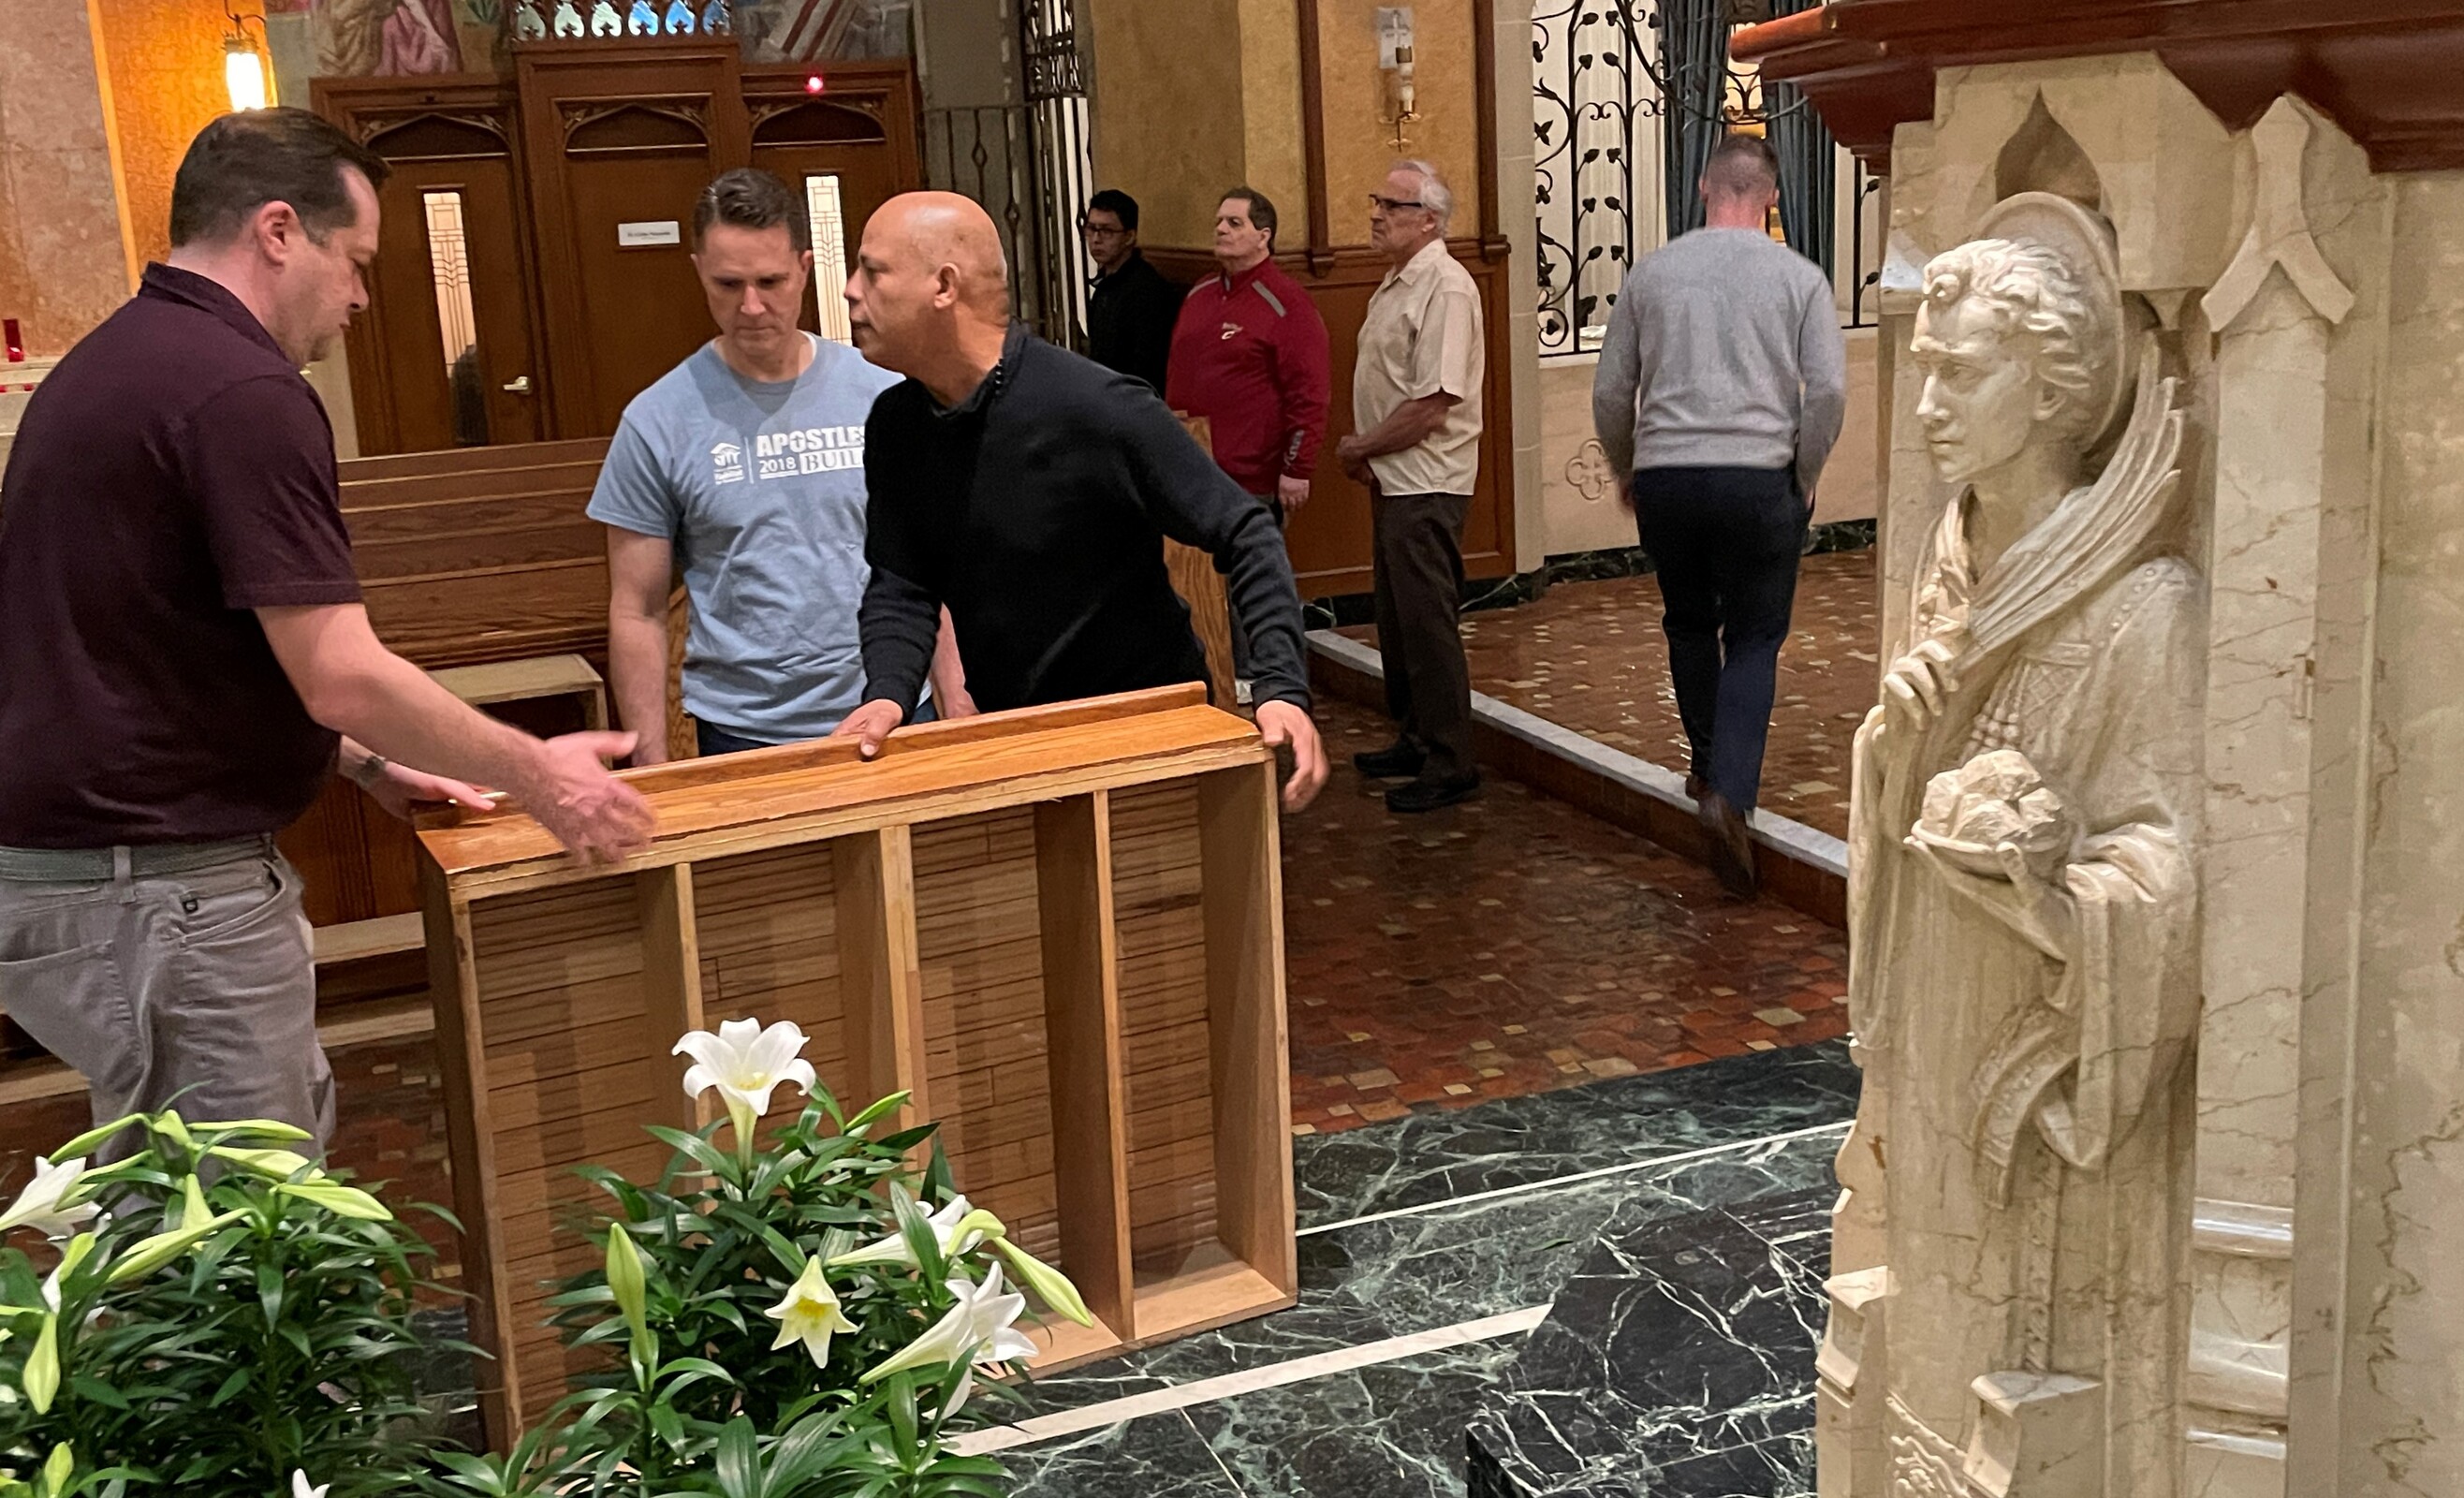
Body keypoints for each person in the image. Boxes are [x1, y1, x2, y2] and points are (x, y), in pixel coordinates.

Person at [0, 109, 653, 1147]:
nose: (358, 297)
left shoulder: (119, 361)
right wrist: (543, 777)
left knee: (175, 1190)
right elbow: (339, 671)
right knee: (240, 1207)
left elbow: (155, 644)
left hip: (97, 881)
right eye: (354, 261)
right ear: (277, 231)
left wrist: (367, 765)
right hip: (159, 891)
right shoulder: (240, 389)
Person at [832, 192, 1329, 813]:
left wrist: (1280, 688)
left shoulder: (1095, 405)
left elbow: (1246, 531)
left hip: (1150, 732)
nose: (851, 290)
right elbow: (903, 583)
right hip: (1022, 737)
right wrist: (888, 693)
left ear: (944, 286)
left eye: (872, 271)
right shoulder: (896, 423)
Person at [592, 168, 967, 762]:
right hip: (745, 728)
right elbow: (637, 611)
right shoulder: (657, 420)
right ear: (698, 271)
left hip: (893, 705)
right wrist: (650, 766)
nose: (751, 306)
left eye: (770, 281)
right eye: (728, 284)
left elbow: (927, 566)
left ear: (805, 269)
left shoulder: (882, 392)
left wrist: (958, 699)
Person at [1590, 132, 1846, 894]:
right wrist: (1805, 472)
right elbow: (1828, 392)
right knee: (1756, 636)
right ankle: (1732, 791)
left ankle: (1705, 768)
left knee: (1690, 624)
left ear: (1703, 187)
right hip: (1758, 479)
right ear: (1772, 198)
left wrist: (1628, 467)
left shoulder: (1652, 273)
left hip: (1669, 476)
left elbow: (1611, 391)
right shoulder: (1800, 277)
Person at [1338, 159, 1487, 815]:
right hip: (1395, 477)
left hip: (1427, 482)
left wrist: (1363, 445)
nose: (1376, 214)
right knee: (1398, 623)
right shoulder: (1398, 280)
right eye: (1377, 201)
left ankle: (1452, 761)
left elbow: (1432, 404)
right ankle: (1417, 737)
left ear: (1428, 219)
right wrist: (1370, 451)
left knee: (1427, 626)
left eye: (1391, 205)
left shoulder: (1446, 288)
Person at [1166, 186, 1329, 525]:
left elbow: (1309, 394)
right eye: (1219, 222)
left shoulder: (1287, 302)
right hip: (1190, 466)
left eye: (1234, 223)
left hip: (1250, 481)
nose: (1221, 229)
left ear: (1263, 236)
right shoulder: (1200, 293)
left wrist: (1297, 468)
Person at [1080, 189, 1181, 393]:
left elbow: (1148, 369)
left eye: (1107, 231)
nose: (1096, 239)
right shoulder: (1105, 287)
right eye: (1091, 229)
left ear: (1129, 236)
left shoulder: (1148, 291)